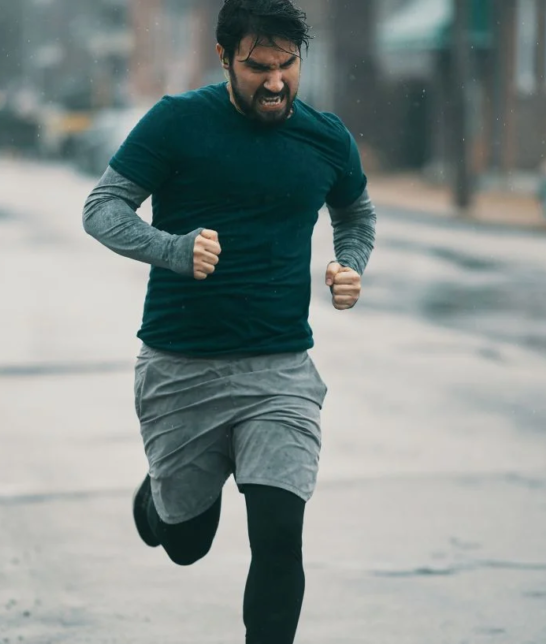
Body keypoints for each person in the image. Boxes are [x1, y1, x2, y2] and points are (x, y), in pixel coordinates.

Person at [81, 1, 376, 641]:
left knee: (278, 535)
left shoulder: (325, 137)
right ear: (224, 58)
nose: (275, 82)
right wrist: (173, 250)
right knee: (187, 542)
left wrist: (348, 263)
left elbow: (356, 214)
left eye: (287, 65)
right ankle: (158, 503)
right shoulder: (177, 123)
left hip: (280, 372)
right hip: (181, 366)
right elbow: (102, 208)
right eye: (257, 67)